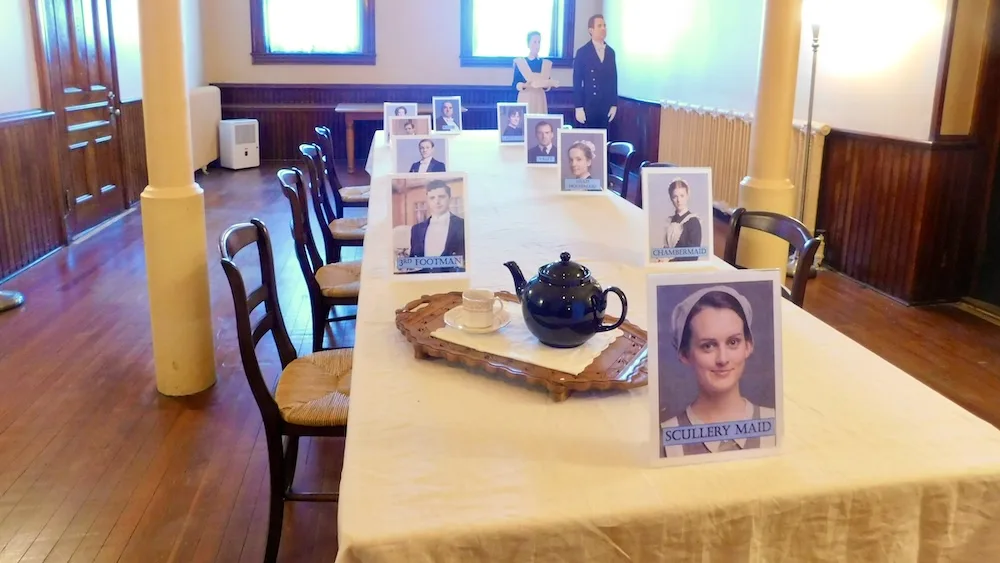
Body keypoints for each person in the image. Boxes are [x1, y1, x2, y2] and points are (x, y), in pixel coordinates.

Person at [660, 286, 776, 457]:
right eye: (708, 346)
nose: (722, 359)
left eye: (733, 342)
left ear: (748, 345)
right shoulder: (666, 440)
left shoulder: (774, 425)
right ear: (685, 354)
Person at [408, 180, 466, 272]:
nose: (437, 201)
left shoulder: (463, 226)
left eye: (441, 197)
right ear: (427, 201)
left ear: (449, 198)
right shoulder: (416, 230)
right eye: (432, 198)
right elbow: (412, 265)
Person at [573, 14, 618, 129]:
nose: (603, 28)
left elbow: (613, 79)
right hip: (589, 106)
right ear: (591, 30)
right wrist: (578, 107)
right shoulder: (582, 52)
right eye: (599, 26)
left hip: (606, 107)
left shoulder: (610, 52)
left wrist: (614, 104)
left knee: (604, 141)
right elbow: (577, 82)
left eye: (604, 25)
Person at [513, 31, 556, 114]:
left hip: (540, 99)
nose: (537, 45)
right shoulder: (521, 62)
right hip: (525, 98)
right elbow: (515, 84)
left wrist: (549, 84)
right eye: (534, 42)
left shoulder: (545, 64)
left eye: (539, 42)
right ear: (528, 44)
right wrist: (525, 85)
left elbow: (547, 84)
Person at [663, 178, 702, 262]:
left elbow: (693, 256)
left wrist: (670, 261)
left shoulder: (693, 222)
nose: (678, 200)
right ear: (671, 198)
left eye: (682, 196)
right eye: (675, 197)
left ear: (687, 196)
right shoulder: (671, 220)